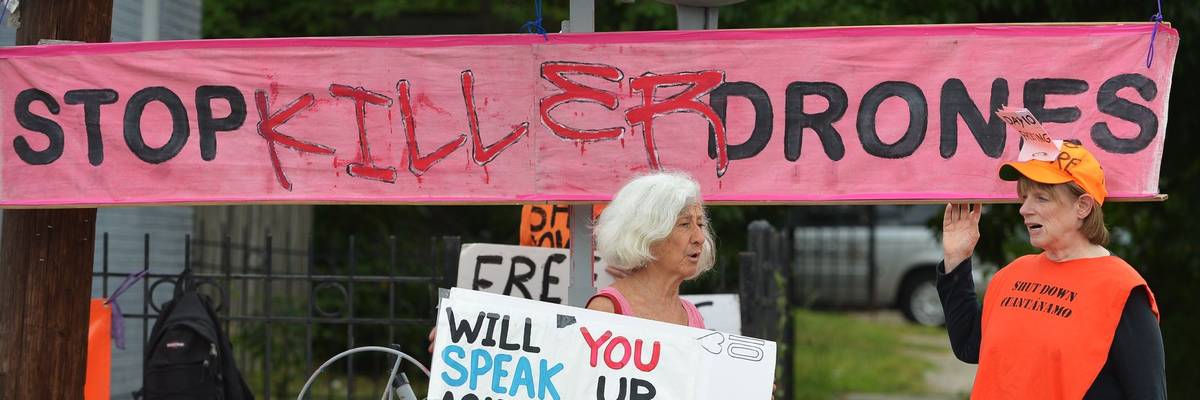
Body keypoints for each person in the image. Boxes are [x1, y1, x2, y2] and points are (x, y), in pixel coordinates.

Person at [939, 141, 1166, 399]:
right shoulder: (1011, 275)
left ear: (1083, 206)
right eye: (1024, 197)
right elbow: (969, 346)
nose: (1024, 209)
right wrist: (956, 259)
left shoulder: (1122, 290)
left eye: (1041, 198)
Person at [585, 171, 713, 328]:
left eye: (700, 224)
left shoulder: (692, 315)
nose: (700, 238)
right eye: (685, 224)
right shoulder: (607, 310)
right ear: (646, 234)